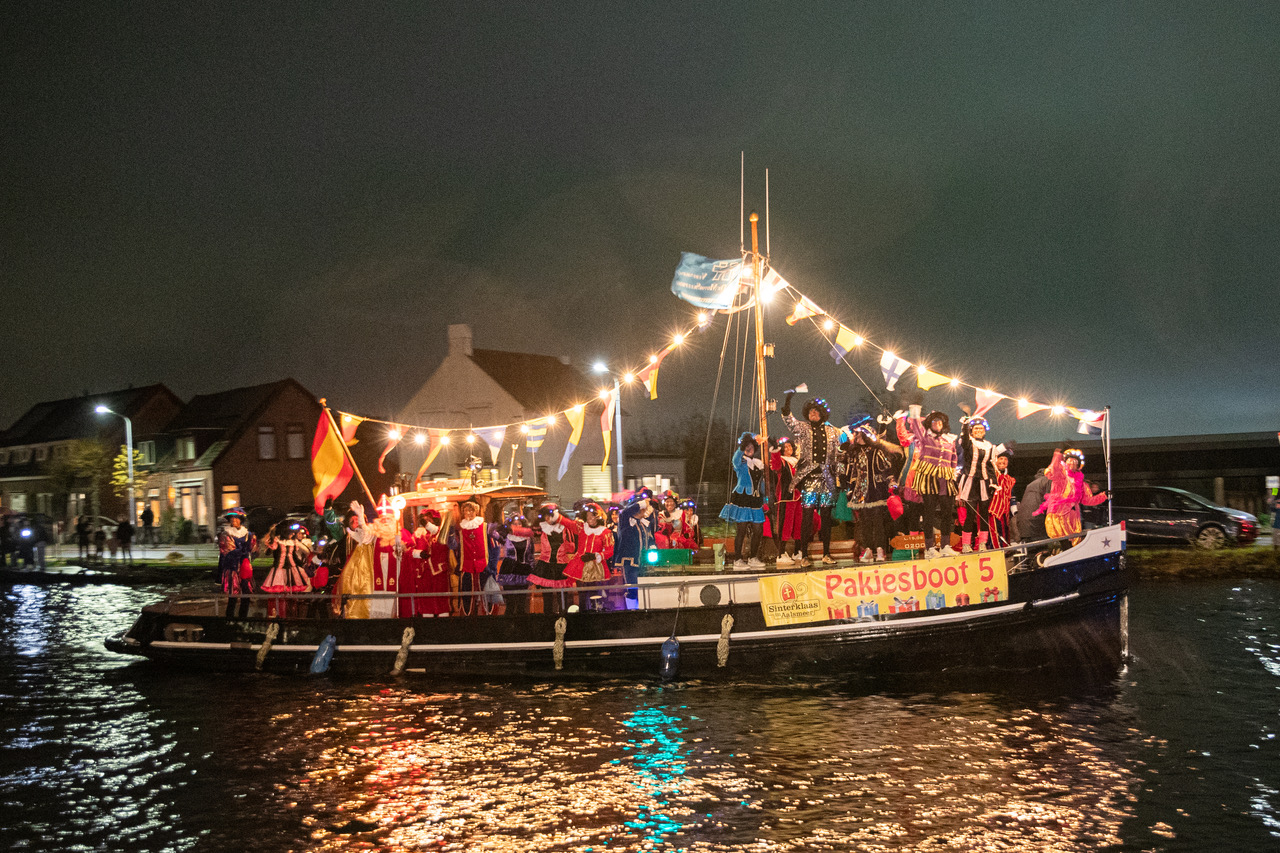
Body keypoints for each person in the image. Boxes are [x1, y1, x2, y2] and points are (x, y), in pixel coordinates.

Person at [781, 392, 846, 566]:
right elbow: (789, 420)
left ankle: (826, 553)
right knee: (807, 517)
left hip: (827, 480)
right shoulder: (803, 428)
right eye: (810, 412)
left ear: (822, 414)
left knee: (826, 517)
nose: (813, 414)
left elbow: (837, 456)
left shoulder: (833, 431)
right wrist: (788, 401)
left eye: (816, 412)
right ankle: (803, 556)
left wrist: (840, 478)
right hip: (809, 479)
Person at [842, 422, 904, 563]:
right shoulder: (855, 453)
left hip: (876, 491)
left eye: (858, 434)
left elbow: (887, 469)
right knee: (865, 523)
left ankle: (880, 550)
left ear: (865, 435)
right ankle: (868, 550)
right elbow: (851, 472)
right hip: (860, 493)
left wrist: (891, 483)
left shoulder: (877, 452)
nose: (856, 436)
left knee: (878, 522)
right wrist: (850, 489)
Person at [904, 404, 959, 559]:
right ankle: (929, 549)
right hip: (929, 477)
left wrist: (953, 476)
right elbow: (915, 426)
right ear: (930, 424)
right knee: (929, 512)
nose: (938, 424)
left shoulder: (950, 440)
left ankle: (945, 546)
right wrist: (914, 412)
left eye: (940, 422)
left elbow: (953, 459)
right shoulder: (924, 437)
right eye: (934, 422)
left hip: (946, 478)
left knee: (947, 512)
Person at [719, 432, 767, 570]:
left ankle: (753, 557)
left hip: (756, 498)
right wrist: (743, 445)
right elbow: (736, 457)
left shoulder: (758, 463)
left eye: (751, 447)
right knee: (741, 529)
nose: (749, 449)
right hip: (743, 497)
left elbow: (760, 483)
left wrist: (765, 498)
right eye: (746, 447)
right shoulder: (740, 461)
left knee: (758, 529)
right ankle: (738, 559)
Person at [956, 415, 1002, 553]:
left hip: (984, 482)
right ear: (971, 430)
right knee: (970, 514)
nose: (978, 431)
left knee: (984, 513)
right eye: (975, 428)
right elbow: (963, 441)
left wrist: (993, 483)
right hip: (970, 482)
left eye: (981, 429)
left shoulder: (990, 446)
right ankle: (966, 544)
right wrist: (964, 425)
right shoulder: (968, 443)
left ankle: (982, 543)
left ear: (984, 431)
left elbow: (990, 467)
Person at [1042, 448, 1109, 541]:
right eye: (1070, 460)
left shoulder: (1082, 484)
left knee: (1074, 543)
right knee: (1062, 542)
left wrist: (1103, 495)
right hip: (1057, 515)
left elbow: (1087, 500)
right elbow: (1051, 471)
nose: (1072, 463)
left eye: (1075, 461)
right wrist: (1058, 455)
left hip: (1073, 518)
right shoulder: (1060, 476)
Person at [527, 503, 580, 614]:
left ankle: (564, 621)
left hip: (561, 566)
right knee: (547, 598)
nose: (547, 518)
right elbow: (526, 534)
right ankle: (548, 622)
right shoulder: (541, 529)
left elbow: (572, 547)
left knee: (563, 599)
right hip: (546, 566)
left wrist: (565, 546)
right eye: (545, 516)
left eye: (550, 515)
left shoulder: (565, 529)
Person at [565, 502, 615, 610]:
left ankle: (595, 615)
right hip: (580, 565)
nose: (591, 519)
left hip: (596, 566)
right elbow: (567, 523)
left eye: (593, 516)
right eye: (588, 516)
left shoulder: (605, 532)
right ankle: (583, 616)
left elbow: (610, 550)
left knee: (595, 594)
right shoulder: (581, 528)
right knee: (582, 594)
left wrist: (596, 555)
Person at [614, 489, 656, 610]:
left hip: (644, 562)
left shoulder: (644, 524)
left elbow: (650, 539)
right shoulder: (625, 521)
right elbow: (625, 512)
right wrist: (642, 502)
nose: (644, 511)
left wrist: (652, 547)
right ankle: (632, 612)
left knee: (643, 589)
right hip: (630, 562)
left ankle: (643, 610)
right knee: (632, 589)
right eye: (642, 508)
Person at [409, 508, 455, 617]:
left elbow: (442, 539)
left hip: (439, 572)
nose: (426, 520)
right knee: (426, 600)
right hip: (423, 572)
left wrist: (428, 525)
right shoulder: (418, 534)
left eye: (429, 518)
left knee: (441, 599)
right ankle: (427, 621)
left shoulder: (441, 532)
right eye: (424, 519)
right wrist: (418, 553)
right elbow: (409, 549)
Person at [769, 436, 803, 564]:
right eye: (785, 447)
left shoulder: (796, 461)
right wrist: (775, 451)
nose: (788, 448)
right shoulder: (782, 461)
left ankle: (797, 551)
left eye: (790, 446)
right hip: (786, 498)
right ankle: (781, 553)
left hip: (798, 497)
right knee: (785, 525)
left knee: (798, 524)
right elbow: (776, 466)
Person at [455, 500, 491, 615]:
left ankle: (488, 615)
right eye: (466, 511)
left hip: (483, 564)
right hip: (466, 565)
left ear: (476, 512)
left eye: (471, 510)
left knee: (486, 591)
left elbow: (493, 547)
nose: (469, 513)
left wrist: (492, 564)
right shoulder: (460, 529)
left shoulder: (485, 527)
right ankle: (467, 615)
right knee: (467, 592)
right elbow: (456, 546)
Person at [216, 508, 257, 607]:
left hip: (244, 569)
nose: (234, 520)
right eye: (232, 518)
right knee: (232, 597)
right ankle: (230, 620)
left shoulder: (248, 535)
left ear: (241, 520)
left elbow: (253, 550)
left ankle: (243, 619)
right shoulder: (226, 535)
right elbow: (226, 552)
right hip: (232, 569)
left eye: (236, 518)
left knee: (246, 595)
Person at [261, 522, 312, 594]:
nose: (293, 534)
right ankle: (280, 604)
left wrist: (302, 564)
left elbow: (294, 556)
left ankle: (291, 604)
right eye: (291, 533)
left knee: (291, 592)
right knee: (280, 591)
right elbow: (268, 553)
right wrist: (271, 542)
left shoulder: (293, 542)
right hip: (279, 570)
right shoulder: (277, 541)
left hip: (292, 569)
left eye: (293, 533)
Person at [988, 449, 1017, 548]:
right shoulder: (991, 475)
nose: (1003, 461)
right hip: (993, 510)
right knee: (995, 531)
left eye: (1005, 459)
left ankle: (1005, 549)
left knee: (1005, 530)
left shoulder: (1010, 479)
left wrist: (1014, 510)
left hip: (1005, 511)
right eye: (1000, 458)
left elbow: (1012, 496)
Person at [1017, 467, 1052, 542]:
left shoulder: (1030, 484)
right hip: (1036, 524)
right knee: (1043, 551)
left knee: (1032, 552)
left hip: (1023, 524)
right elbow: (1049, 502)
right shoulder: (1048, 481)